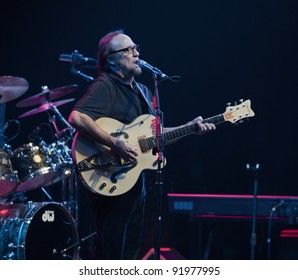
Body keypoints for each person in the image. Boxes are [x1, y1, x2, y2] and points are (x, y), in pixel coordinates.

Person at [68, 29, 216, 260]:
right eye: (128, 49)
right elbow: (77, 117)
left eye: (136, 48)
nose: (136, 53)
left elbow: (157, 137)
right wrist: (114, 143)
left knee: (131, 251)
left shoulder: (144, 92)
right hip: (109, 174)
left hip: (135, 181)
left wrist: (190, 127)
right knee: (110, 249)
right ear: (111, 59)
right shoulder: (105, 85)